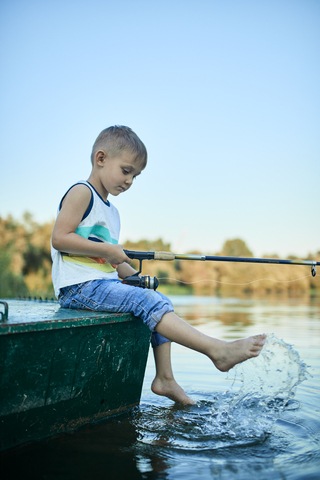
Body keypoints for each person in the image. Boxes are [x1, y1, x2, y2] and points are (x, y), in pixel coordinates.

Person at [51, 125, 266, 405]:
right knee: (149, 303)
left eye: (135, 176)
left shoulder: (113, 212)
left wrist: (137, 277)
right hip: (78, 287)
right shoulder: (82, 192)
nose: (129, 181)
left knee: (157, 298)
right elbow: (59, 238)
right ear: (100, 159)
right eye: (126, 171)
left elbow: (109, 263)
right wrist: (109, 250)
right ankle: (218, 351)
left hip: (100, 283)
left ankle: (165, 379)